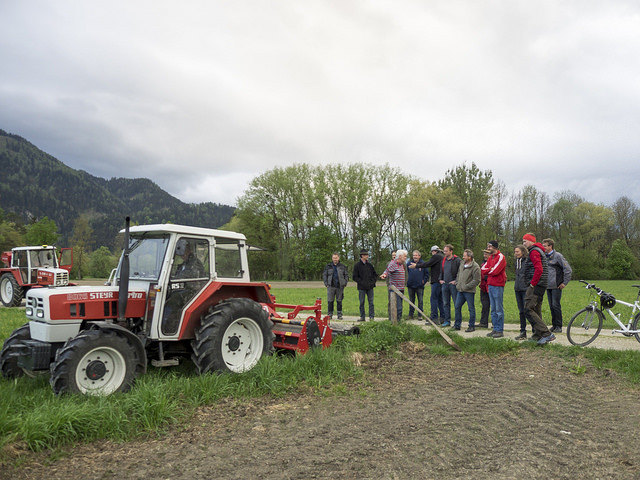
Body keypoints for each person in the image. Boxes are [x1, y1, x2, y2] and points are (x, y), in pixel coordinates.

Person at [522, 233, 555, 344]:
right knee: (536, 309)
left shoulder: (534, 251)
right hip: (541, 284)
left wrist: (532, 283)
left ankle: (546, 333)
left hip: (536, 285)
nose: (524, 243)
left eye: (525, 241)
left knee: (528, 309)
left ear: (531, 241)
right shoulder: (539, 251)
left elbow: (539, 269)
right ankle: (538, 335)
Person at [542, 238, 573, 333]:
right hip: (548, 286)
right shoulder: (544, 257)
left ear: (550, 246)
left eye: (545, 246)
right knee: (551, 306)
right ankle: (554, 325)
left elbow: (568, 270)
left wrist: (564, 283)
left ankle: (559, 326)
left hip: (556, 286)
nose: (543, 248)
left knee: (556, 305)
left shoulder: (558, 256)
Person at [410, 245, 445, 324]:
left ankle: (434, 318)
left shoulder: (436, 256)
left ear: (434, 251)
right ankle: (443, 317)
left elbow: (427, 264)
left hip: (436, 281)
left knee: (434, 299)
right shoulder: (442, 256)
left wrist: (416, 265)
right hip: (441, 280)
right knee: (440, 300)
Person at [482, 240, 507, 339]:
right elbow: (483, 269)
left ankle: (500, 329)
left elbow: (496, 271)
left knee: (498, 308)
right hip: (490, 285)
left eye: (489, 247)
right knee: (493, 309)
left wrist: (490, 270)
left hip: (498, 285)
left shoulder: (501, 257)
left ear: (495, 247)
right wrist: (490, 270)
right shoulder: (490, 258)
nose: (488, 249)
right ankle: (495, 328)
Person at [453, 249, 481, 331]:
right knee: (457, 306)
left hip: (469, 291)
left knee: (471, 308)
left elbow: (477, 280)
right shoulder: (462, 264)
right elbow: (458, 274)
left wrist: (467, 286)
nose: (463, 257)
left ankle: (471, 326)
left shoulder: (475, 267)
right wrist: (457, 283)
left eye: (465, 256)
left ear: (469, 257)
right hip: (460, 290)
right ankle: (457, 325)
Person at [380, 249, 408, 321]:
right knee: (397, 307)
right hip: (395, 289)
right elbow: (387, 270)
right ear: (400, 256)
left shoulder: (402, 265)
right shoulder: (393, 264)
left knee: (400, 307)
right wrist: (384, 275)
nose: (406, 258)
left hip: (401, 289)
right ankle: (395, 322)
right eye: (405, 256)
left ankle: (399, 321)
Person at [439, 244, 461, 327]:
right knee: (445, 303)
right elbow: (441, 270)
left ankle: (457, 322)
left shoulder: (457, 260)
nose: (444, 252)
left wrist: (456, 281)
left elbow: (460, 272)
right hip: (445, 284)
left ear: (451, 251)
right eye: (444, 251)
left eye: (446, 251)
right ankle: (447, 320)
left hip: (453, 285)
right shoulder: (444, 260)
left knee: (456, 303)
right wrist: (440, 279)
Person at [352, 249, 377, 321]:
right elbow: (355, 277)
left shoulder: (370, 265)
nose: (367, 256)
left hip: (370, 287)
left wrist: (372, 282)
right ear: (362, 256)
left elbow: (375, 275)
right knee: (362, 302)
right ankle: (362, 317)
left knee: (371, 302)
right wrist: (361, 282)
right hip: (361, 287)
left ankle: (371, 317)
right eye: (366, 255)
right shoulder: (357, 266)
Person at [322, 253, 348, 319]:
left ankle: (339, 315)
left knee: (339, 301)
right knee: (330, 301)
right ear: (332, 258)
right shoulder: (328, 266)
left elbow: (346, 275)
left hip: (340, 286)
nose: (335, 259)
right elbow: (324, 275)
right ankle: (330, 314)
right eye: (334, 258)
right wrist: (326, 284)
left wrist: (345, 283)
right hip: (331, 286)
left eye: (336, 258)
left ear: (338, 258)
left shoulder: (342, 266)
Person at [406, 250, 429, 319]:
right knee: (411, 301)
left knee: (420, 301)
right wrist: (407, 281)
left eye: (416, 255)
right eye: (413, 255)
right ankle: (411, 315)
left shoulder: (423, 264)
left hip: (419, 286)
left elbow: (427, 275)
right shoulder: (409, 263)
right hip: (410, 285)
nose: (415, 257)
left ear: (419, 256)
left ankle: (420, 315)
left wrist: (423, 282)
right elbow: (406, 273)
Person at [513, 245, 530, 340]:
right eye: (515, 252)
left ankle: (535, 330)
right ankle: (522, 331)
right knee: (521, 311)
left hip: (525, 289)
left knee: (528, 310)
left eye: (517, 252)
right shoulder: (517, 262)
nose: (516, 253)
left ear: (523, 252)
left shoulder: (527, 261)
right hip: (517, 288)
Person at [478, 249, 491, 329]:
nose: (485, 256)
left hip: (490, 286)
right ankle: (483, 322)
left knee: (494, 305)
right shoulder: (483, 263)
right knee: (484, 305)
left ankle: (495, 323)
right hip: (483, 286)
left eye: (487, 254)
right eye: (484, 254)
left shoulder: (492, 263)